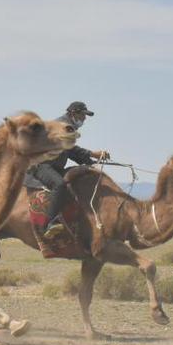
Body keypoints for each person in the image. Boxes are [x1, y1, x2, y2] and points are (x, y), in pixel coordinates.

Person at [24, 101, 110, 242]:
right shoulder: (61, 125)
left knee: (82, 176)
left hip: (56, 167)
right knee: (60, 185)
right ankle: (49, 224)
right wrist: (92, 153)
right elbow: (72, 149)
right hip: (42, 166)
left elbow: (71, 153)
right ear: (73, 113)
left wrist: (92, 162)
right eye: (82, 115)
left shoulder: (69, 127)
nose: (84, 119)